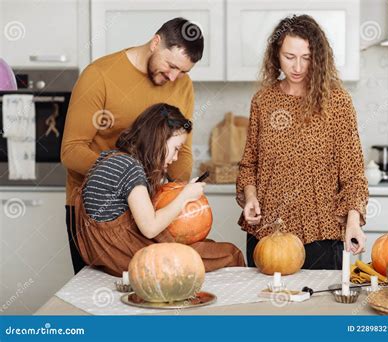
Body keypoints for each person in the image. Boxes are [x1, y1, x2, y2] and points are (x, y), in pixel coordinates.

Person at [61, 17, 203, 274]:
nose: (174, 77)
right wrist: (125, 179)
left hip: (151, 209)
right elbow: (71, 150)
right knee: (97, 294)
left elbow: (181, 151)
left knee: (153, 289)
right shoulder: (99, 75)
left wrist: (181, 195)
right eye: (171, 65)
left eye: (183, 71)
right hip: (97, 212)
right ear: (155, 42)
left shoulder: (182, 85)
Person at [236, 15, 369, 270]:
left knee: (320, 308)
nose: (298, 67)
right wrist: (250, 197)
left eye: (306, 58)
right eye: (289, 57)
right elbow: (249, 164)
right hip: (267, 235)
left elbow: (353, 175)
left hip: (322, 237)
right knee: (262, 307)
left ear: (318, 58)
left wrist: (352, 222)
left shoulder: (337, 102)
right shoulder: (263, 101)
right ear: (276, 55)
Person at [72, 103, 245, 277]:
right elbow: (150, 227)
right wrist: (185, 196)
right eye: (176, 148)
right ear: (159, 139)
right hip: (127, 255)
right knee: (229, 254)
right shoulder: (130, 168)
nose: (176, 157)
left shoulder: (110, 158)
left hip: (106, 257)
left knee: (207, 247)